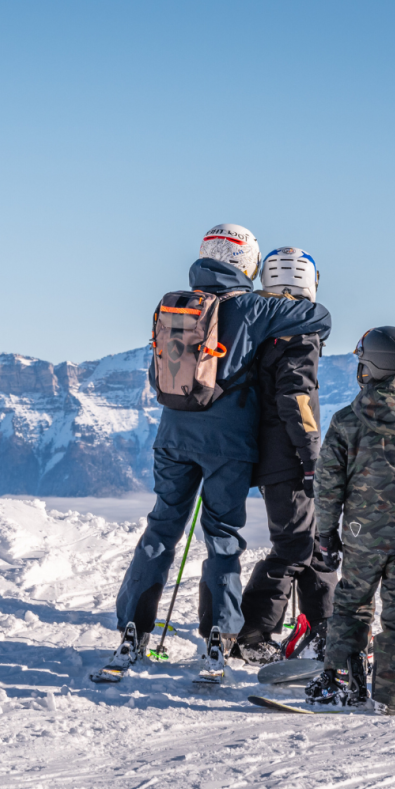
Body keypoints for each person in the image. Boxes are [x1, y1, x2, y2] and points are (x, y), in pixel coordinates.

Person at [111, 225, 332, 671]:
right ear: (247, 263)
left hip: (172, 437)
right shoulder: (253, 306)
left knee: (161, 529)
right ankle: (220, 631)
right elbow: (320, 318)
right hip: (227, 445)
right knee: (222, 539)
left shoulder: (171, 302)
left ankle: (132, 625)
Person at [306, 326, 395, 715]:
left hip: (360, 536)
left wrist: (325, 535)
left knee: (352, 606)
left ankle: (341, 681)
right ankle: (394, 694)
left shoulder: (346, 421)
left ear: (372, 366)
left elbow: (328, 484)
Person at [236, 247, 338, 664]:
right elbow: (296, 398)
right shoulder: (299, 332)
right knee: (296, 546)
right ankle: (253, 633)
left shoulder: (262, 328)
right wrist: (313, 458)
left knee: (312, 544)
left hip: (268, 451)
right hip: (289, 458)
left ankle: (322, 629)